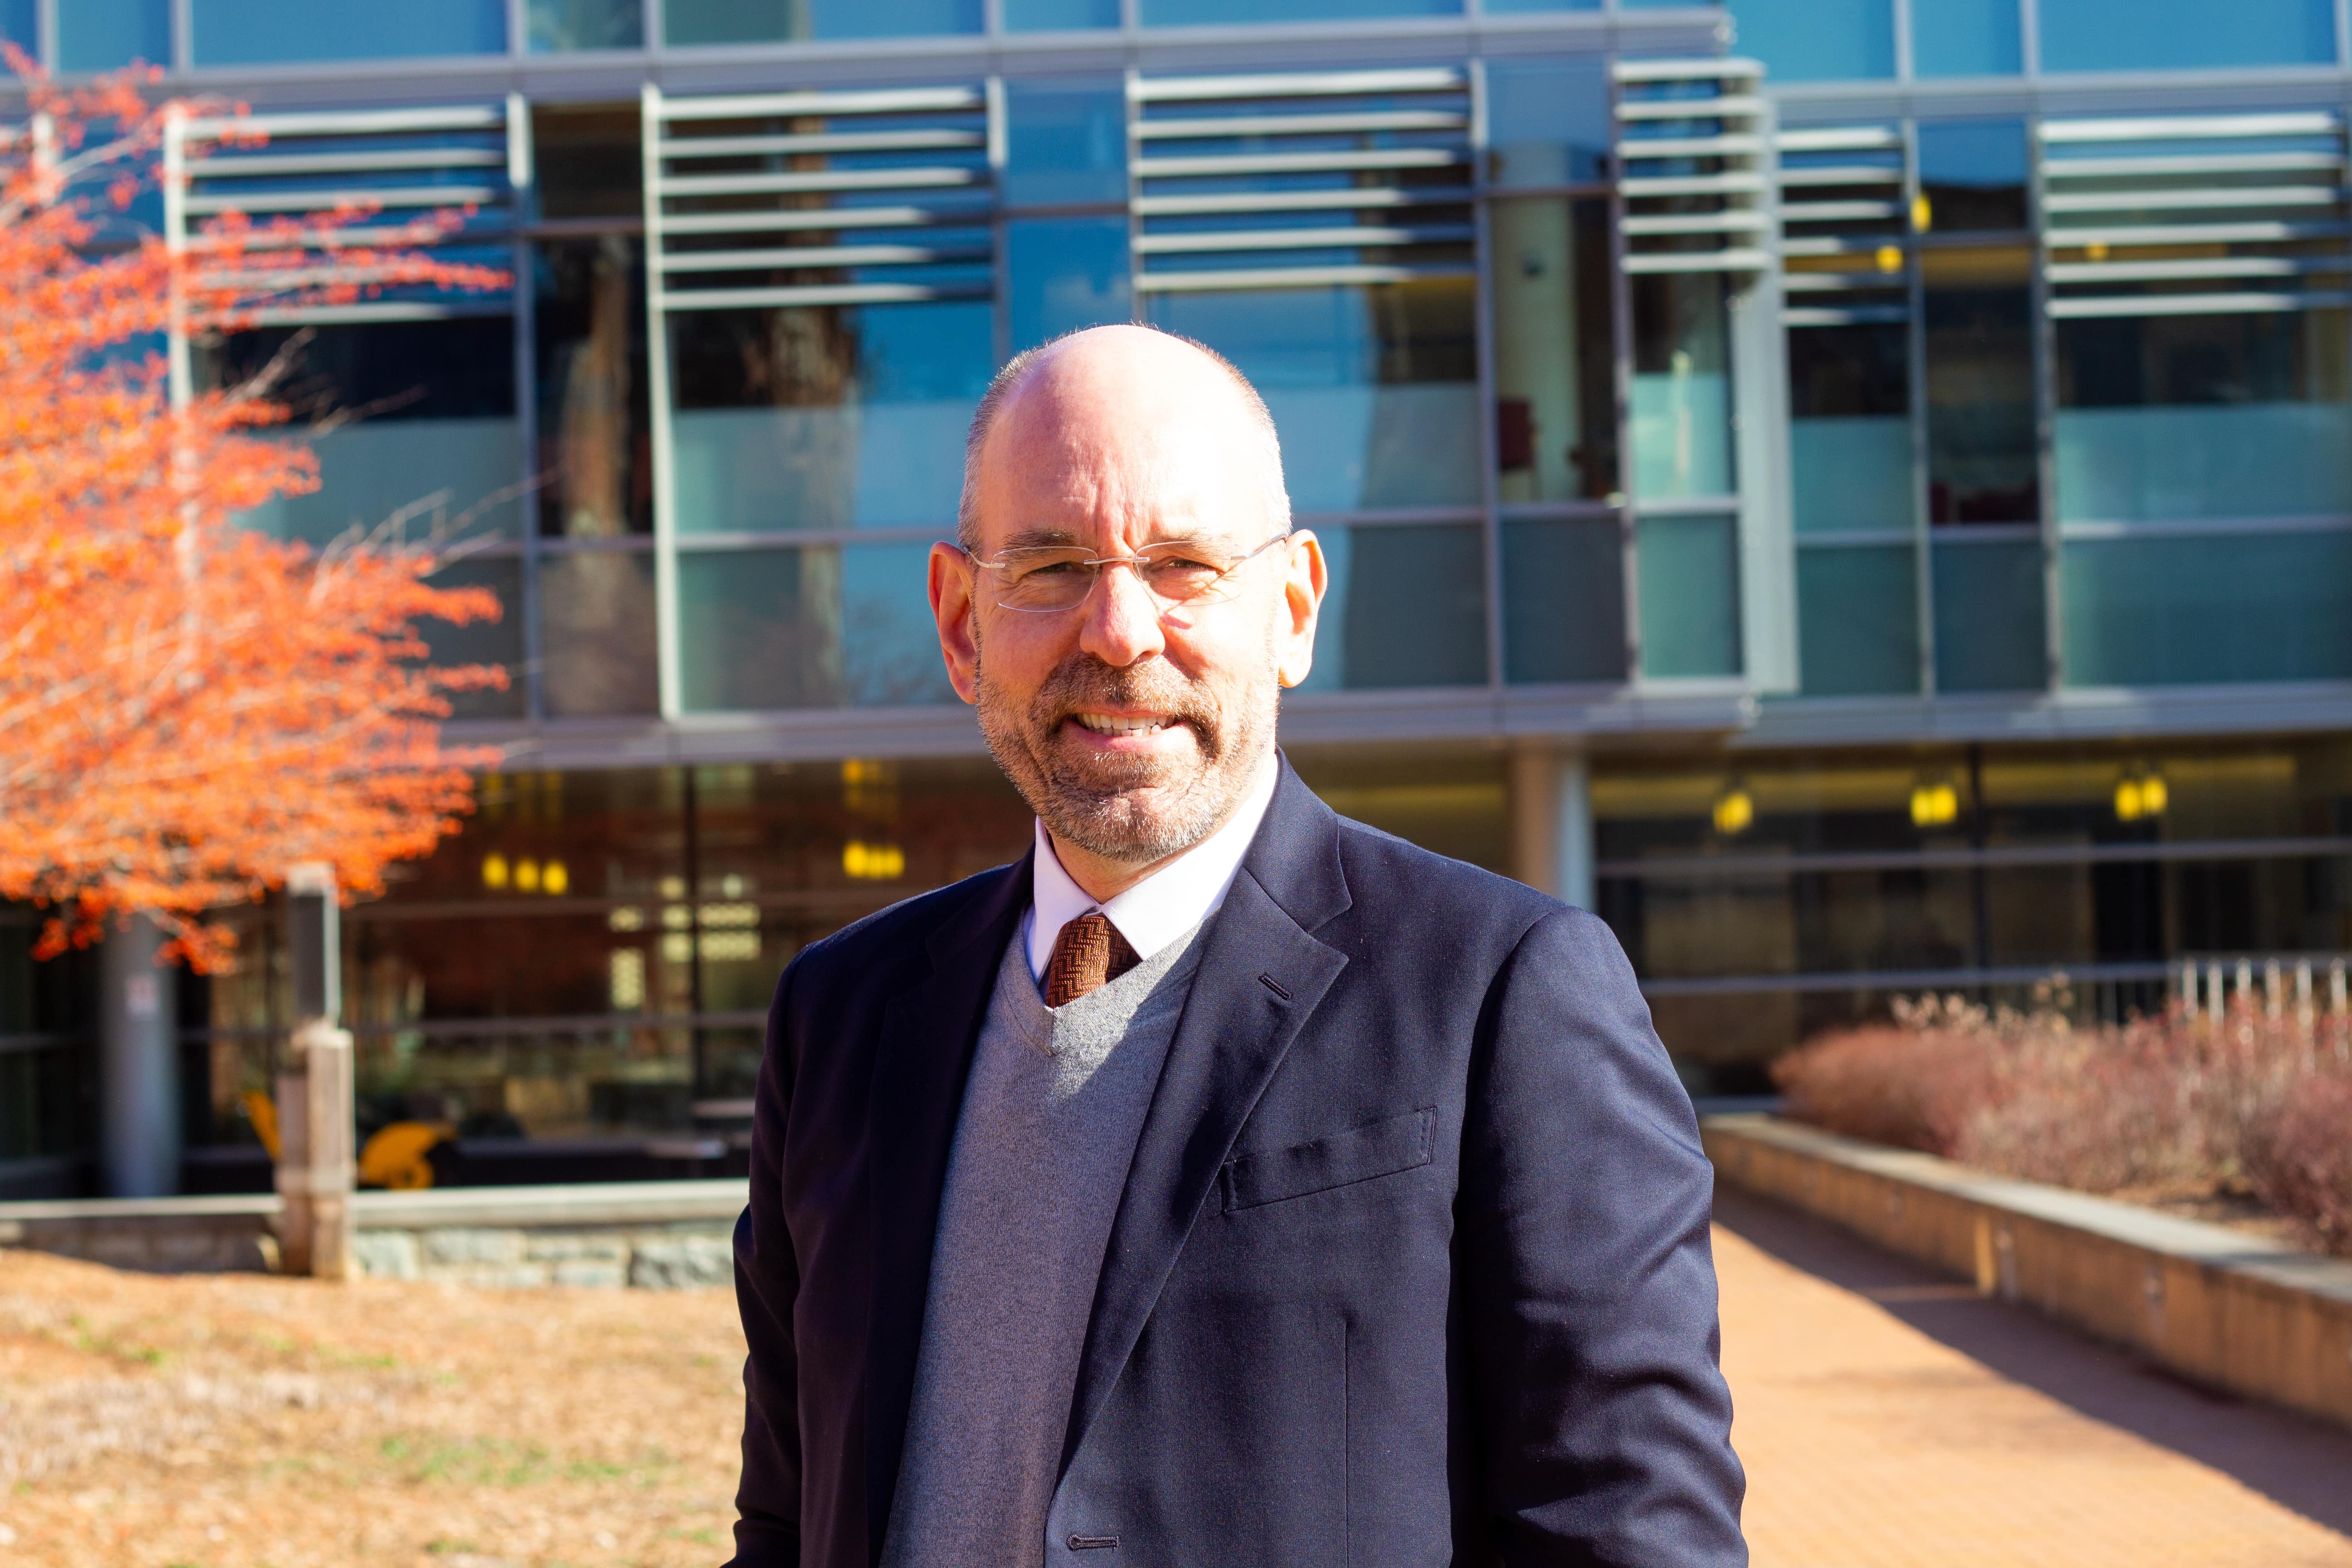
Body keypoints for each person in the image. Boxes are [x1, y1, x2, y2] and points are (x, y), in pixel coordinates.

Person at [727, 324, 1745, 1567]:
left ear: (1295, 609)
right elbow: (786, 1519)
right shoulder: (841, 1018)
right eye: (1049, 566)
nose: (1117, 630)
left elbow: (1629, 1533)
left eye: (1184, 566)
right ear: (958, 622)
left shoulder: (1501, 995)